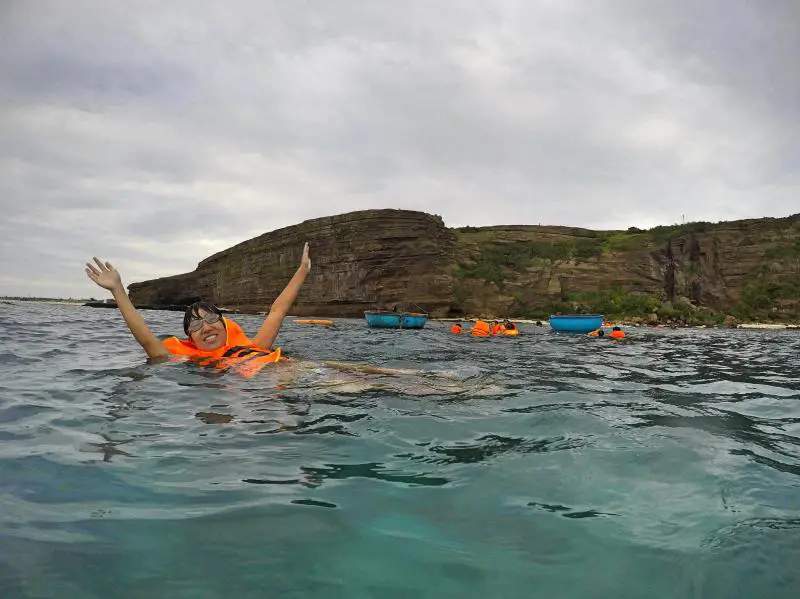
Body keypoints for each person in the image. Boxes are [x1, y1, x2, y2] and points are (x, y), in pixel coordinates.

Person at [84, 243, 312, 372]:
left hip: (305, 373)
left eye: (211, 319)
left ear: (224, 325)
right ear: (190, 337)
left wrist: (302, 269)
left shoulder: (254, 346)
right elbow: (145, 339)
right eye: (196, 324)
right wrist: (118, 290)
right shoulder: (184, 358)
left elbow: (277, 311)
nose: (206, 327)